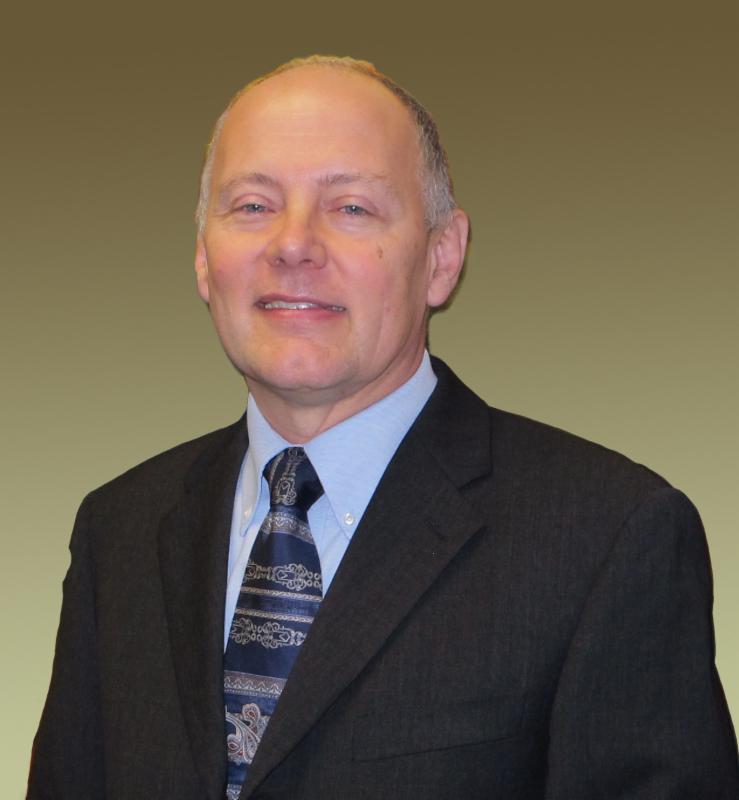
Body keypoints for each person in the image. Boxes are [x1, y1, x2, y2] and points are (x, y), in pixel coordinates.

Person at [29, 55, 738, 800]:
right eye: (253, 205)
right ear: (204, 259)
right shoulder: (120, 529)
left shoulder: (607, 535)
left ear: (442, 257)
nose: (293, 244)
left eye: (351, 208)